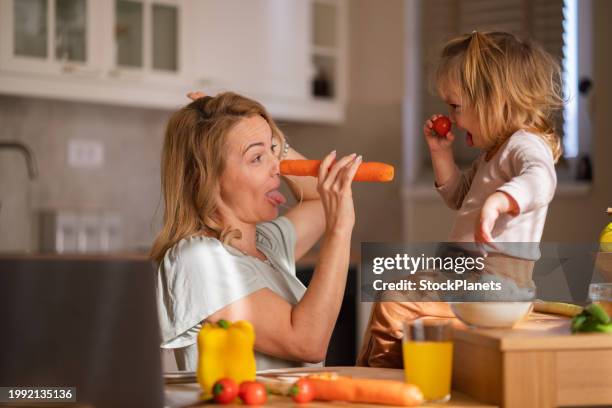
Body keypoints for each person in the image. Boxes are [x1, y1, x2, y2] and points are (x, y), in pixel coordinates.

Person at [358, 31, 562, 367]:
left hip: (494, 284)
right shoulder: (491, 155)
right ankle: (385, 372)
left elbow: (541, 180)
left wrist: (500, 200)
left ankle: (379, 379)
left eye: (456, 106)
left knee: (395, 303)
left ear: (492, 99)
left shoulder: (525, 144)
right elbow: (457, 197)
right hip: (468, 276)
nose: (451, 117)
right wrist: (441, 155)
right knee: (399, 291)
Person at [151, 91, 362, 371]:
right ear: (207, 178)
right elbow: (308, 343)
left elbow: (320, 203)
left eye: (274, 152)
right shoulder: (198, 259)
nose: (279, 167)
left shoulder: (266, 244)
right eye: (256, 158)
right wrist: (340, 229)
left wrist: (274, 143)